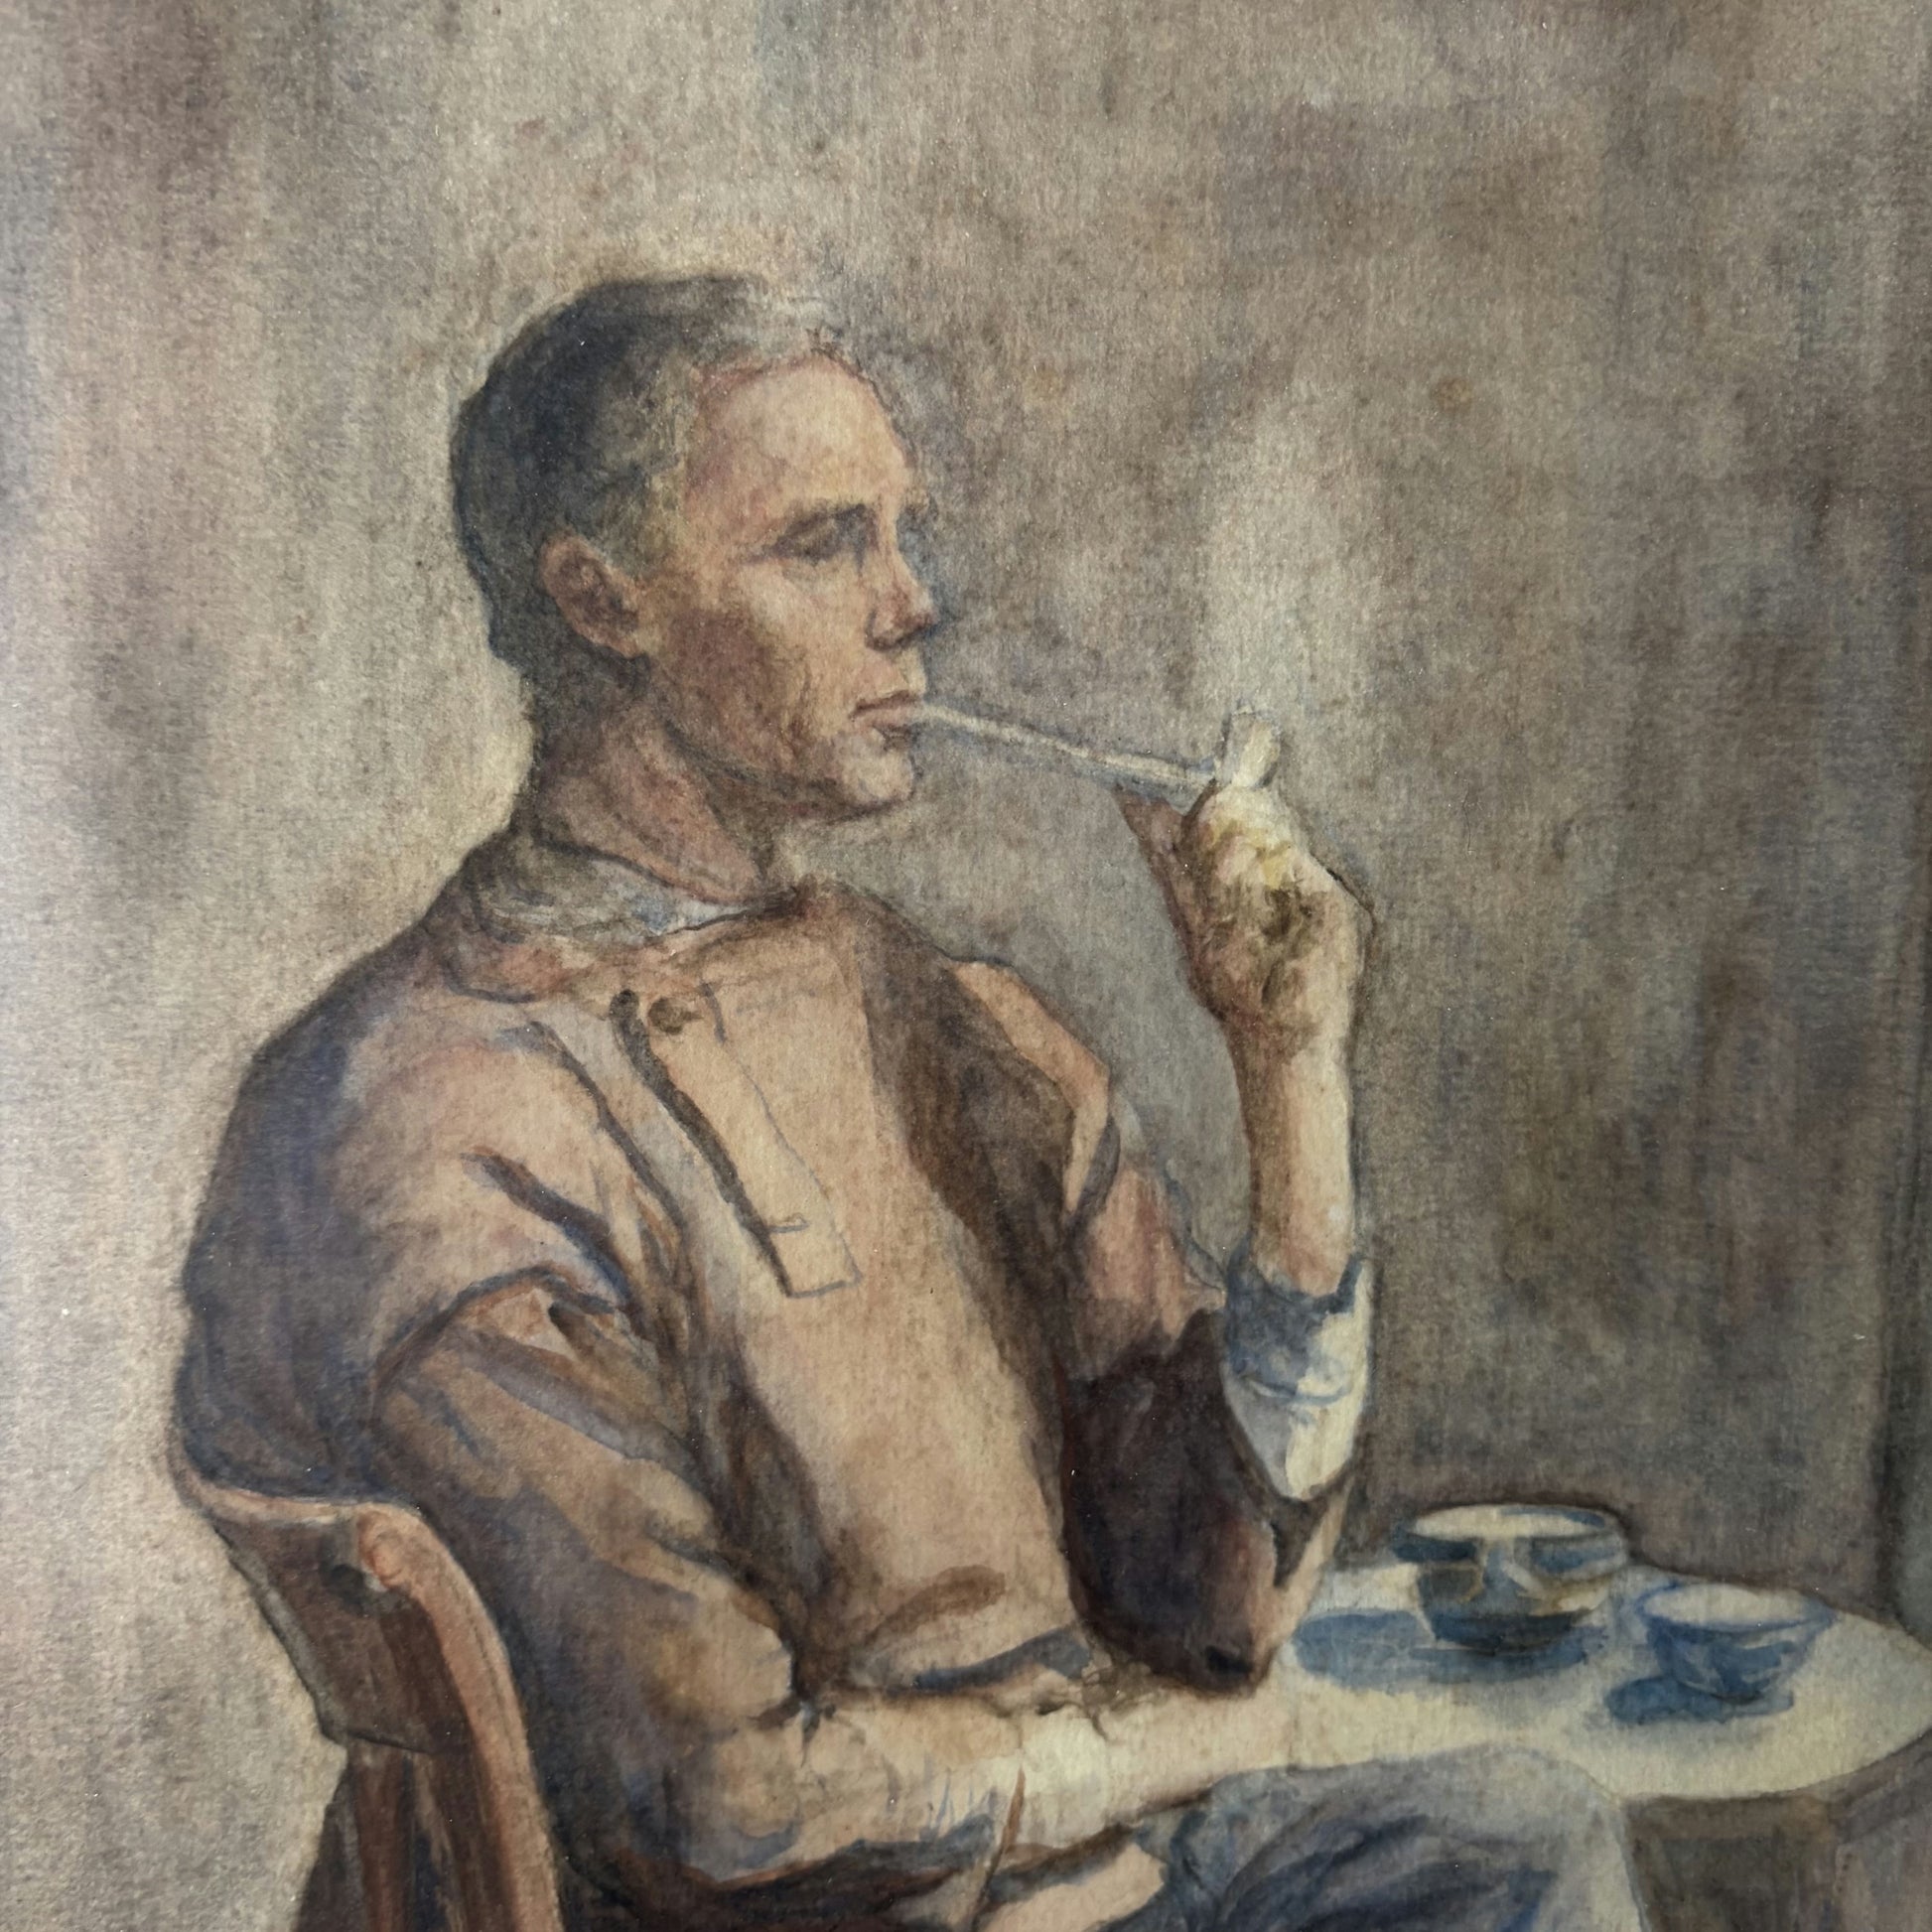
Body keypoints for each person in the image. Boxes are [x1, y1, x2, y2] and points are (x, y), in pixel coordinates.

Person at [176, 276, 1647, 1932]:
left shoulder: (948, 1019)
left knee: (1518, 1838)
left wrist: (1289, 1069)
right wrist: (1197, 1743)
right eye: (823, 544)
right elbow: (725, 1805)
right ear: (602, 601)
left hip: (1087, 1881)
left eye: (900, 533)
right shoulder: (418, 1118)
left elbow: (1214, 1602)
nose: (911, 603)